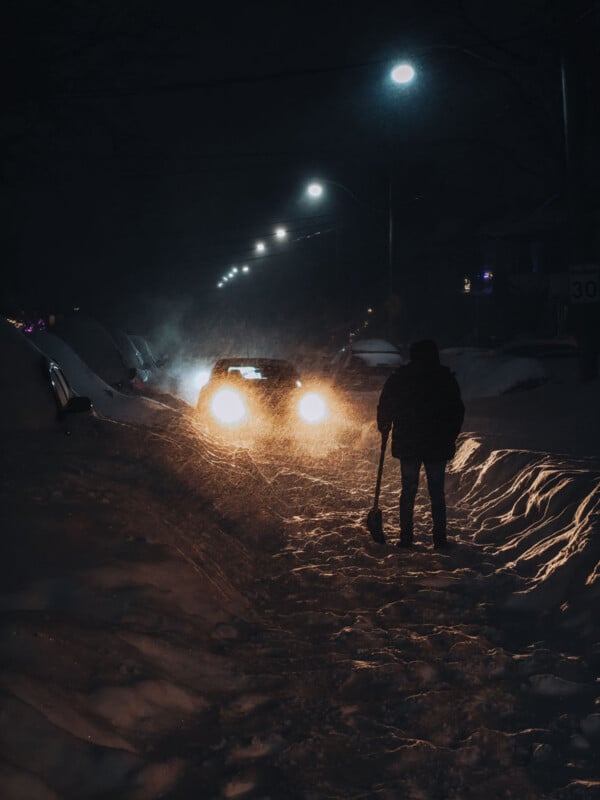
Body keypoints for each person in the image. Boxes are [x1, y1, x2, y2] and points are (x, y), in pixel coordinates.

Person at [377, 339, 464, 549]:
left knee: (408, 490)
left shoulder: (401, 378)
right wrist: (450, 435)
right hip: (437, 444)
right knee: (436, 492)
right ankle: (440, 539)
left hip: (409, 442)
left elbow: (386, 404)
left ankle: (406, 537)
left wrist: (385, 425)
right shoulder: (444, 378)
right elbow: (456, 411)